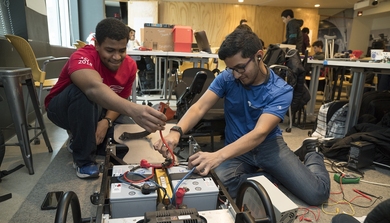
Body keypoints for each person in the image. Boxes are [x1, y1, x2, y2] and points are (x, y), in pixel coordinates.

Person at [153, 29, 330, 206]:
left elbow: (259, 134)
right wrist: (176, 131)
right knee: (216, 188)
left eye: (240, 67)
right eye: (231, 69)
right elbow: (199, 107)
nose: (236, 75)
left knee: (316, 194)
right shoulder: (227, 77)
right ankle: (269, 177)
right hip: (237, 151)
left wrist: (217, 156)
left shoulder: (280, 90)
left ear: (259, 56)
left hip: (268, 147)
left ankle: (311, 152)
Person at [45, 18, 167, 179]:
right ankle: (83, 162)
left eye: (122, 50)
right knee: (83, 93)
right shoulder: (81, 56)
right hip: (62, 110)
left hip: (97, 110)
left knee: (124, 136)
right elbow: (93, 89)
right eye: (110, 50)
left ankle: (79, 140)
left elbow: (120, 99)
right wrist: (134, 109)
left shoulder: (130, 66)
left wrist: (106, 122)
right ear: (96, 45)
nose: (116, 57)